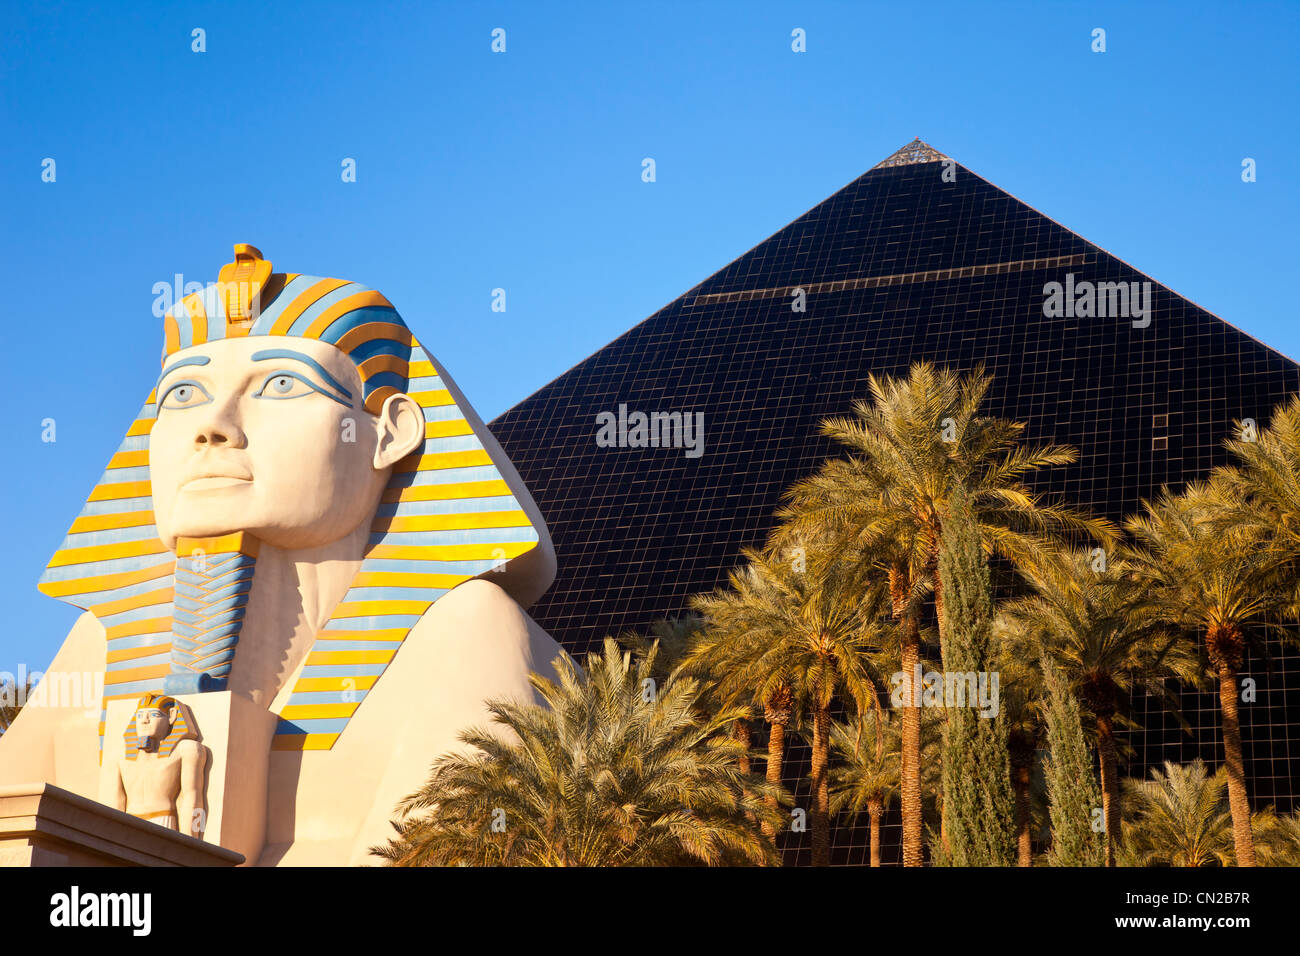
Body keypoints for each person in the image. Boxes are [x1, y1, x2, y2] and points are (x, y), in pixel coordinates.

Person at [0, 245, 561, 865]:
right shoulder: (102, 642)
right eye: (182, 393)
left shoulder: (464, 628)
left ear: (390, 433)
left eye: (281, 383)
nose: (213, 426)